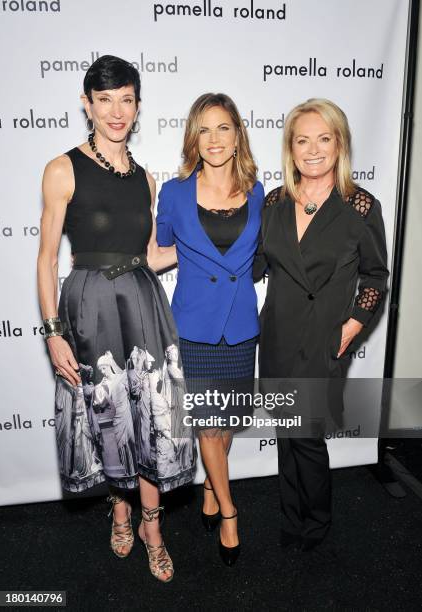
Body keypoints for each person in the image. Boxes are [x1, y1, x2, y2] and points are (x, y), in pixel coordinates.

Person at [37, 55, 196, 582]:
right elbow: (45, 258)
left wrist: (202, 241)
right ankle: (120, 511)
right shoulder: (63, 168)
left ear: (138, 105)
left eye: (126, 99)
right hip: (89, 306)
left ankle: (153, 526)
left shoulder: (146, 179)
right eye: (104, 100)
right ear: (87, 104)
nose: (116, 111)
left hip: (143, 303)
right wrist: (53, 330)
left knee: (151, 416)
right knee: (108, 412)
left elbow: (148, 254)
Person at [254, 98, 389, 551]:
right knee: (285, 434)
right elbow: (254, 266)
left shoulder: (359, 206)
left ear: (340, 144)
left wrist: (353, 325)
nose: (312, 150)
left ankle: (316, 522)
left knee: (306, 435)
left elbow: (376, 275)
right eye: (302, 140)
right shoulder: (274, 201)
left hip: (322, 338)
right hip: (277, 335)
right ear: (290, 148)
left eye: (323, 139)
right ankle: (292, 518)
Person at [156, 93, 264, 566]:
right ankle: (229, 512)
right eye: (205, 130)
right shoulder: (175, 192)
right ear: (193, 139)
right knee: (208, 424)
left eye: (223, 128)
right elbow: (160, 250)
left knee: (226, 426)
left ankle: (209, 490)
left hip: (240, 326)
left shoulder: (258, 190)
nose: (215, 139)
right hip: (195, 326)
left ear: (238, 134)